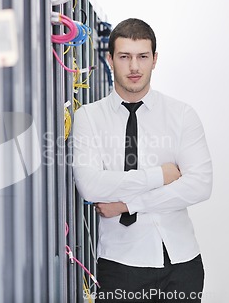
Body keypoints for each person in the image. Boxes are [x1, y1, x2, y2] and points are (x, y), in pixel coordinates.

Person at [72, 18, 212, 302]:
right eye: (124, 57)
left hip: (180, 262)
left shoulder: (181, 115)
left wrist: (128, 204)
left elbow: (200, 185)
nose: (134, 67)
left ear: (154, 59)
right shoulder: (89, 117)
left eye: (142, 57)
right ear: (110, 59)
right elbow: (90, 185)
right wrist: (161, 175)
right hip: (119, 265)